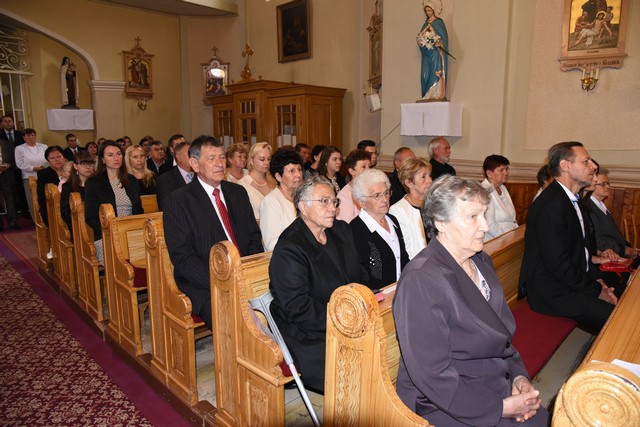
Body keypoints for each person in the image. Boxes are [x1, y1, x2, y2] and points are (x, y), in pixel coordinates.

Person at [394, 175, 548, 426]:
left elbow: (502, 339)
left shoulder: (480, 261)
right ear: (440, 223)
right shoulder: (421, 279)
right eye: (473, 217)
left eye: (484, 214)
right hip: (446, 401)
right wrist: (500, 408)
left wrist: (519, 377)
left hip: (491, 382)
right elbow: (432, 374)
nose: (485, 226)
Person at [269, 176, 363, 393]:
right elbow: (298, 307)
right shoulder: (290, 247)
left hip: (345, 315)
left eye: (334, 201)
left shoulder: (340, 230)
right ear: (303, 207)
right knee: (353, 366)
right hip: (308, 330)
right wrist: (343, 321)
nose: (332, 208)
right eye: (324, 201)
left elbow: (358, 276)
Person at [163, 135, 262, 329]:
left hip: (244, 273)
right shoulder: (179, 201)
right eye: (211, 158)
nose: (219, 164)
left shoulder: (237, 192)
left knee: (283, 303)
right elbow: (182, 257)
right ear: (195, 164)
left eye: (222, 157)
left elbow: (253, 236)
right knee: (236, 323)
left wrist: (248, 271)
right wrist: (225, 280)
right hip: (206, 283)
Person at [520, 142, 617, 334]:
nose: (593, 166)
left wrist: (599, 282)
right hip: (552, 291)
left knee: (623, 295)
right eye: (586, 161)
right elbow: (558, 264)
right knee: (618, 320)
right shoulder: (551, 205)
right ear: (565, 166)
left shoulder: (574, 201)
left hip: (571, 282)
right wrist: (597, 290)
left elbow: (585, 251)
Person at [85, 141, 143, 265]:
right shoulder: (94, 183)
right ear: (103, 159)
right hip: (106, 234)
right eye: (110, 155)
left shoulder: (131, 180)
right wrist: (112, 232)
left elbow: (139, 210)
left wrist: (135, 230)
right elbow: (90, 216)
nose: (116, 158)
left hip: (130, 231)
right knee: (118, 259)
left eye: (118, 154)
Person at [350, 169, 409, 289]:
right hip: (377, 297)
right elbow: (362, 277)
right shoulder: (355, 230)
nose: (385, 199)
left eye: (386, 193)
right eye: (377, 195)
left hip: (402, 291)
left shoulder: (392, 220)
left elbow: (403, 259)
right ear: (361, 202)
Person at [587, 168, 639, 259]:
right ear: (590, 185)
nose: (608, 187)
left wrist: (628, 248)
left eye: (608, 183)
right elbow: (596, 240)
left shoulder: (600, 205)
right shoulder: (589, 208)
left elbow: (613, 235)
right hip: (606, 256)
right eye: (603, 184)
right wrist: (624, 250)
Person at [259, 147, 303, 251]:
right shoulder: (271, 202)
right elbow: (272, 244)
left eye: (299, 169)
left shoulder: (304, 197)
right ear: (279, 177)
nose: (298, 175)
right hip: (287, 256)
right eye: (292, 171)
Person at [389, 157, 432, 259]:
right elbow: (405, 249)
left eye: (430, 175)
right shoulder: (398, 210)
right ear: (409, 183)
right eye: (423, 177)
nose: (430, 180)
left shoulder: (435, 204)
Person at [481, 155, 518, 241]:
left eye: (506, 169)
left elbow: (512, 220)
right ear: (489, 173)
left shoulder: (502, 188)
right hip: (494, 241)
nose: (506, 173)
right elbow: (489, 224)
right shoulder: (484, 190)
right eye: (501, 170)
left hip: (510, 237)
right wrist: (507, 239)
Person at [14, 128, 48, 221]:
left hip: (43, 175)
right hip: (29, 177)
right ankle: (37, 220)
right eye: (28, 135)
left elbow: (48, 159)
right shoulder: (20, 148)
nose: (30, 137)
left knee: (44, 197)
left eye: (32, 135)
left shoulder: (43, 146)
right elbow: (19, 163)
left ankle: (47, 219)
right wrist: (33, 168)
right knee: (33, 199)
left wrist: (44, 167)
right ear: (24, 137)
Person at [417, 3, 449, 100]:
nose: (428, 13)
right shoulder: (425, 25)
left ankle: (436, 93)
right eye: (426, 11)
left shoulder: (439, 22)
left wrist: (439, 42)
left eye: (429, 10)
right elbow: (421, 37)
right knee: (424, 74)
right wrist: (420, 41)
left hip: (436, 53)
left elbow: (444, 38)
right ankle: (427, 94)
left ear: (434, 10)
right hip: (427, 54)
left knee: (436, 71)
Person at [238, 142, 277, 220]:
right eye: (262, 159)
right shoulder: (242, 185)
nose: (266, 163)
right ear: (252, 160)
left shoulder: (274, 182)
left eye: (269, 159)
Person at [60, 150, 95, 231]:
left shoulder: (98, 184)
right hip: (78, 226)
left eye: (90, 163)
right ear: (75, 166)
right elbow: (65, 214)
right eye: (83, 164)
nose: (88, 167)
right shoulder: (68, 187)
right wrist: (82, 220)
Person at [336, 149, 371, 223]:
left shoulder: (371, 189)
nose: (368, 170)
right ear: (352, 171)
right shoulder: (344, 196)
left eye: (369, 166)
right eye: (364, 166)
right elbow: (346, 225)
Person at [156, 141, 192, 210]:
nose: (194, 157)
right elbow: (166, 207)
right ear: (179, 157)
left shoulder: (202, 175)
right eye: (190, 154)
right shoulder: (165, 180)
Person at [0, 136, 18, 230]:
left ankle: (13, 222)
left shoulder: (8, 144)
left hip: (7, 175)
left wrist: (9, 165)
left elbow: (16, 161)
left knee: (10, 199)